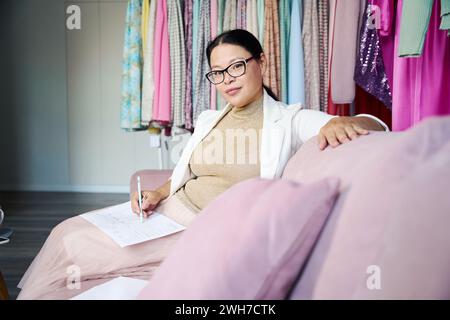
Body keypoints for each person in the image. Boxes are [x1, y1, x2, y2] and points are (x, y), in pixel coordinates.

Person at [17, 29, 388, 299]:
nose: (227, 80)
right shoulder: (210, 118)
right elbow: (185, 173)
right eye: (218, 72)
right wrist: (157, 193)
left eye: (237, 66)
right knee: (67, 232)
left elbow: (377, 127)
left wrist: (344, 121)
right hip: (164, 213)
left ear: (260, 61)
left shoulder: (289, 119)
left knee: (77, 247)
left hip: (201, 227)